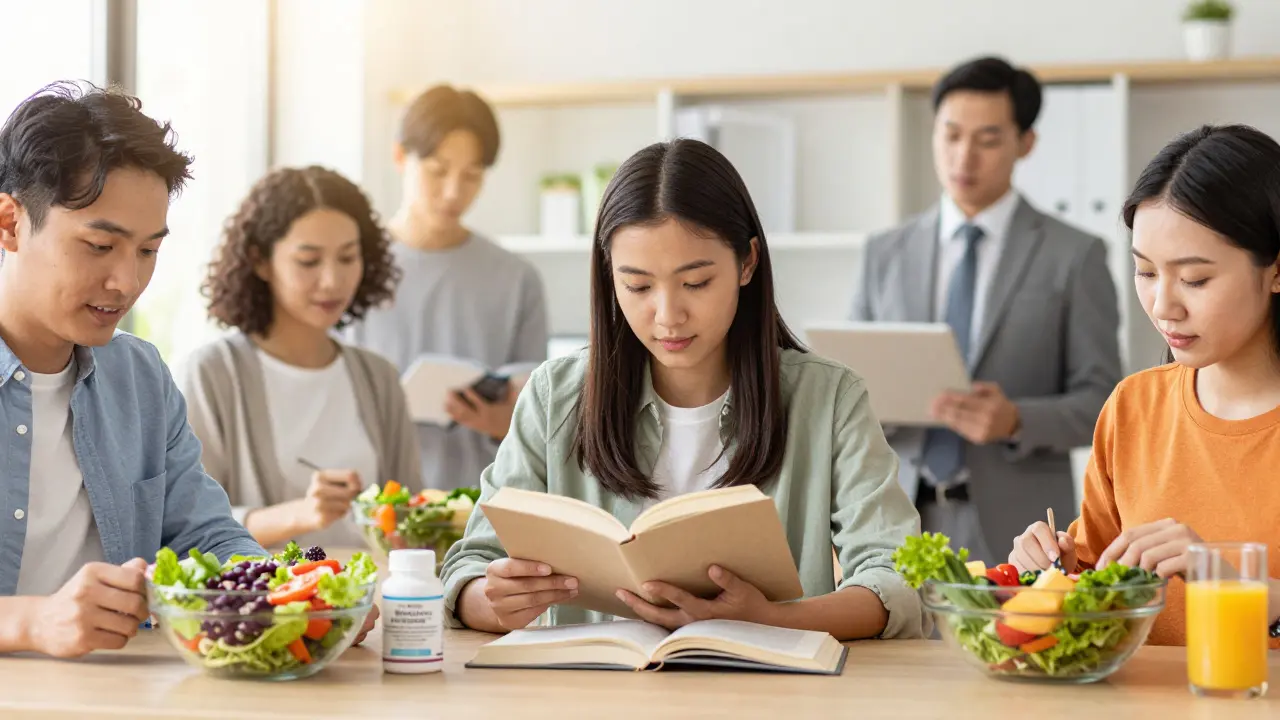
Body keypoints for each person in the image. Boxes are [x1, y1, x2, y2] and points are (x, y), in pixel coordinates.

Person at [440, 138, 926, 641]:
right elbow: (470, 567)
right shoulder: (554, 397)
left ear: (747, 263)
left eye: (695, 283)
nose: (668, 315)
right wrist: (493, 600)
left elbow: (899, 580)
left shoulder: (828, 399)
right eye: (638, 286)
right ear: (610, 277)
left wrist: (773, 621)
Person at [0, 83, 267, 657]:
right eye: (100, 246)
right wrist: (29, 622)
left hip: (120, 698)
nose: (126, 283)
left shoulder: (139, 377)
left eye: (147, 251)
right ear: (8, 223)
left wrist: (294, 591)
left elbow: (204, 537)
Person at [1011, 124, 1280, 648]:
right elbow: (1096, 592)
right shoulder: (1134, 406)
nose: (1163, 306)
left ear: (1275, 269)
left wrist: (1232, 585)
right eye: (1146, 272)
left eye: (1195, 279)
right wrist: (1054, 573)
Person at [850, 56, 1122, 563]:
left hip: (1021, 533)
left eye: (988, 139)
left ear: (1026, 144)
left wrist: (1017, 419)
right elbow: (849, 392)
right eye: (951, 135)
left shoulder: (1075, 255)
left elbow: (1105, 404)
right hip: (899, 521)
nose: (964, 158)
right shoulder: (883, 252)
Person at [180, 166, 421, 550]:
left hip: (372, 603)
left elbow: (413, 519)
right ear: (260, 262)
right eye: (309, 261)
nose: (332, 281)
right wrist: (301, 514)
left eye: (347, 258)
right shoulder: (214, 373)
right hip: (265, 606)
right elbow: (190, 526)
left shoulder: (379, 378)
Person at [345, 84, 548, 491]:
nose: (454, 192)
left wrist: (498, 421)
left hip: (479, 508)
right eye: (438, 171)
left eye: (472, 176)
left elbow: (541, 412)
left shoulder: (515, 278)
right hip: (368, 505)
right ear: (400, 156)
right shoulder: (348, 266)